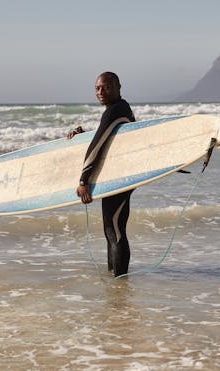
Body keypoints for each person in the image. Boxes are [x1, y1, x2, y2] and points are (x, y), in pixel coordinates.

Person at [68, 72, 136, 277]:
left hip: (121, 177)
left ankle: (120, 283)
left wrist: (84, 181)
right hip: (119, 175)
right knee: (111, 228)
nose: (100, 92)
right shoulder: (118, 109)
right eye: (97, 88)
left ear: (118, 87)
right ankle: (114, 276)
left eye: (105, 87)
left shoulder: (115, 110)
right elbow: (108, 139)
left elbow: (97, 146)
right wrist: (83, 136)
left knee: (114, 229)